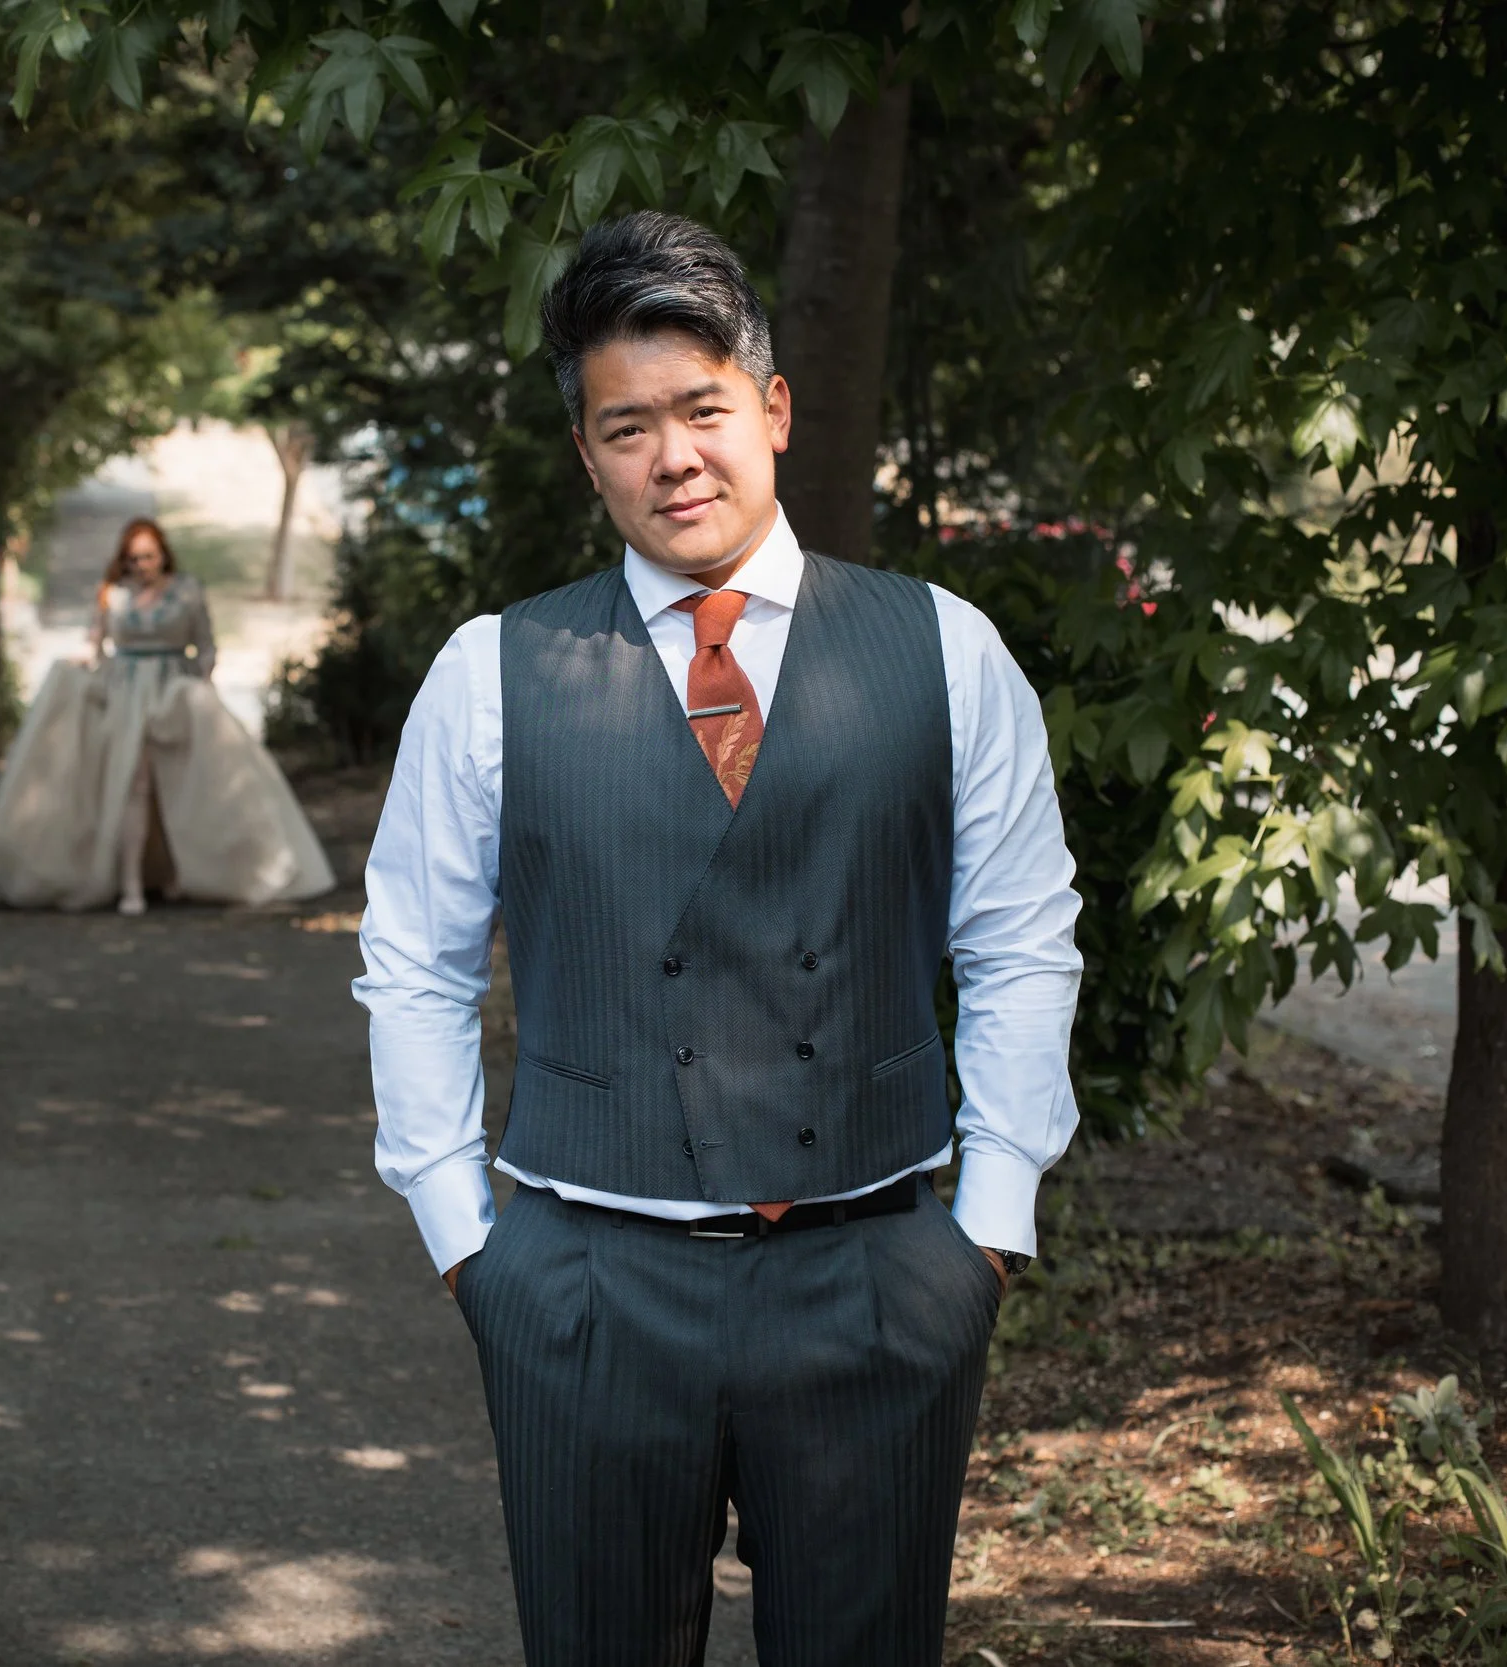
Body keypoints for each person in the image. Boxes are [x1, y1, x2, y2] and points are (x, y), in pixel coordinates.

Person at [353, 211, 1084, 1664]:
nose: (672, 456)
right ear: (589, 454)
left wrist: (987, 1227)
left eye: (701, 408)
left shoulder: (943, 645)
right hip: (587, 1292)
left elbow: (1020, 935)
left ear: (773, 408)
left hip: (874, 1278)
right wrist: (467, 1246)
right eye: (627, 427)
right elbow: (414, 961)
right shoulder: (493, 670)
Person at [0, 515, 334, 913]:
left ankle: (175, 872)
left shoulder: (187, 592)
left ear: (163, 555)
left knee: (175, 784)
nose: (141, 565)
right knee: (134, 782)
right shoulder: (113, 594)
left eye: (148, 556)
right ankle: (130, 883)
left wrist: (200, 684)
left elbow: (206, 646)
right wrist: (82, 662)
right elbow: (97, 642)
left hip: (173, 691)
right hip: (125, 694)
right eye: (133, 559)